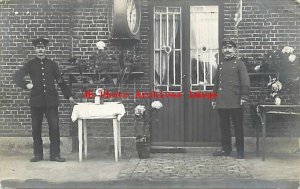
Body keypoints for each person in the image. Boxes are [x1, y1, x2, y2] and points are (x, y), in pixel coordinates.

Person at [13, 37, 77, 162]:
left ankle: (55, 155)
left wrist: (68, 96)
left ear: (46, 49)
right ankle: (38, 155)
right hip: (36, 102)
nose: (40, 50)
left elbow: (60, 81)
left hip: (51, 102)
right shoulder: (30, 64)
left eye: (42, 48)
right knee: (36, 128)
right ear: (35, 50)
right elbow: (16, 77)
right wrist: (26, 84)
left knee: (54, 128)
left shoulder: (52, 64)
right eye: (38, 48)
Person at [212, 39, 250, 159]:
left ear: (234, 50)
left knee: (238, 126)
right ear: (222, 50)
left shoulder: (239, 64)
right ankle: (226, 149)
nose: (227, 50)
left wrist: (244, 96)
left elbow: (245, 81)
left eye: (230, 48)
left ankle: (240, 152)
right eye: (225, 48)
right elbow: (216, 83)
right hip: (222, 100)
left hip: (236, 100)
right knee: (224, 126)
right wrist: (214, 99)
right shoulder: (221, 65)